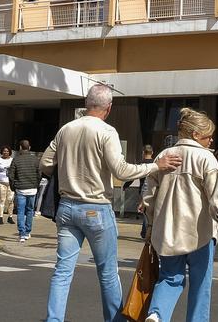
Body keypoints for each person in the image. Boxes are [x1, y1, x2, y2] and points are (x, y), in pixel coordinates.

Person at [40, 84, 182, 322]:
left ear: (87, 104)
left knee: (62, 271)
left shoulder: (66, 129)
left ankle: (54, 319)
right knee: (107, 273)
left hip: (66, 207)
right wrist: (157, 165)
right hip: (96, 208)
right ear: (109, 108)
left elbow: (45, 163)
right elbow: (122, 170)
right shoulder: (107, 132)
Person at [142, 108, 218, 322]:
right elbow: (216, 197)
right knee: (201, 284)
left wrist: (151, 224)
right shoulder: (206, 159)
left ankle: (156, 314)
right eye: (208, 135)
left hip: (167, 232)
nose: (211, 140)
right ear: (195, 135)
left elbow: (148, 196)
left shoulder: (163, 156)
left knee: (169, 278)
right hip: (199, 233)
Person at [8, 139, 40, 242]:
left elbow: (11, 176)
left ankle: (22, 234)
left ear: (20, 148)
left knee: (21, 211)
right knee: (30, 210)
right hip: (32, 189)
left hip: (20, 189)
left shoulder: (16, 160)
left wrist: (13, 187)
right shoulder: (36, 160)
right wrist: (36, 185)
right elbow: (39, 174)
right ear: (29, 147)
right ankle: (27, 232)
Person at [0, 146, 14, 224]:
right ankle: (0, 217)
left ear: (10, 152)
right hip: (1, 182)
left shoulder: (13, 160)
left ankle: (10, 217)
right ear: (2, 152)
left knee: (10, 200)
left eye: (7, 151)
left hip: (11, 182)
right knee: (2, 199)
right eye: (4, 151)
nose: (6, 152)